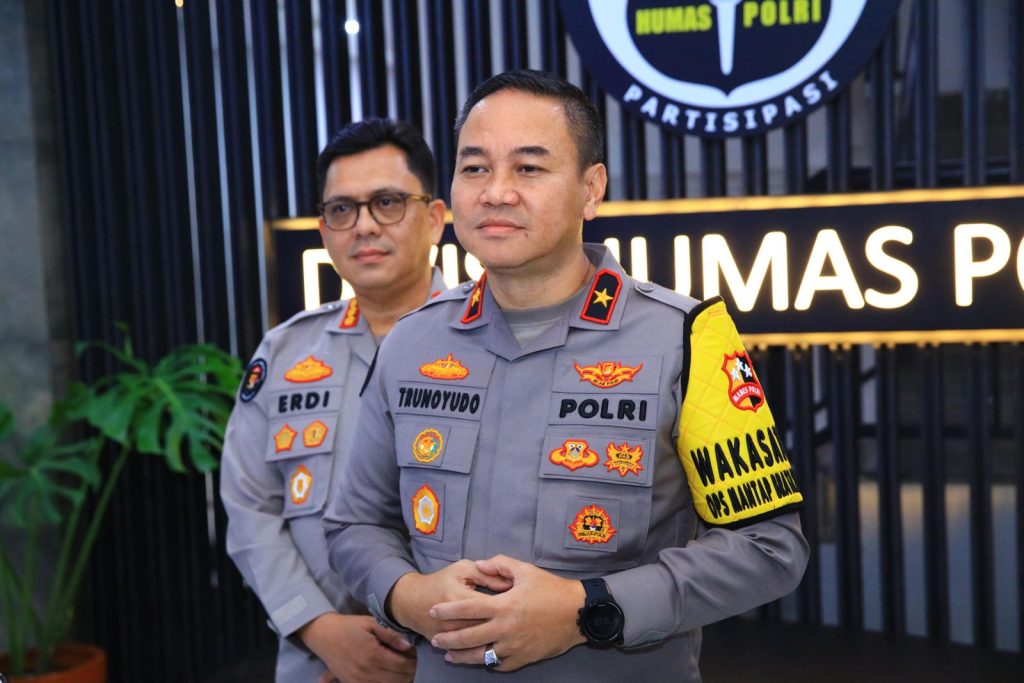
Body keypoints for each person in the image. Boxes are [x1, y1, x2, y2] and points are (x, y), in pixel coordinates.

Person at [324, 70, 809, 682]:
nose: (496, 192)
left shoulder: (686, 339)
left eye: (529, 167)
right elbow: (354, 525)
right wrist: (406, 595)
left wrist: (589, 611)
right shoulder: (412, 343)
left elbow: (769, 548)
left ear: (591, 189)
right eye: (475, 168)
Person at [220, 118, 448, 682]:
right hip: (318, 662)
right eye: (342, 209)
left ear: (435, 219)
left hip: (456, 660)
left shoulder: (491, 344)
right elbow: (250, 507)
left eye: (387, 202)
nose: (364, 226)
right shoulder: (285, 354)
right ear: (324, 230)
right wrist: (318, 627)